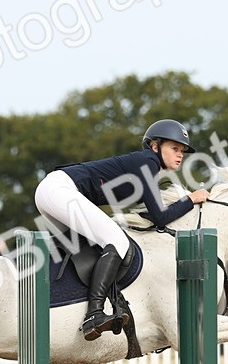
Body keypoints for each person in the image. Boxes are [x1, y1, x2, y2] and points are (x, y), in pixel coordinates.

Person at [34, 118, 208, 340]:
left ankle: (68, 306)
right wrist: (191, 199)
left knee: (89, 249)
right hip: (60, 191)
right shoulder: (148, 162)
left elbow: (151, 216)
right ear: (155, 146)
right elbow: (161, 217)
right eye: (174, 148)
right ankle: (94, 314)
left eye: (182, 151)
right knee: (118, 241)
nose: (180, 155)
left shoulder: (144, 166)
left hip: (51, 191)